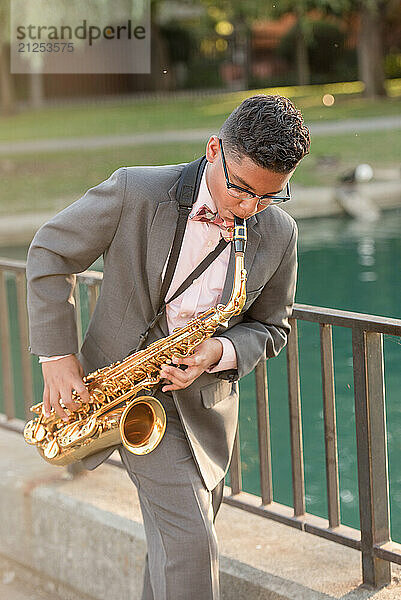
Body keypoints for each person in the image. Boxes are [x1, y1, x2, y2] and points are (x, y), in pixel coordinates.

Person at [26, 94, 310, 600]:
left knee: (173, 546)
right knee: (192, 548)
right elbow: (50, 250)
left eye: (269, 197)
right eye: (241, 189)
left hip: (204, 408)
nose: (248, 208)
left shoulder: (279, 233)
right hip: (126, 395)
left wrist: (217, 353)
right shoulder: (137, 190)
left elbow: (272, 329)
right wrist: (57, 356)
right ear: (214, 149)